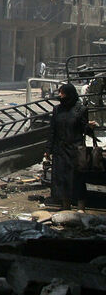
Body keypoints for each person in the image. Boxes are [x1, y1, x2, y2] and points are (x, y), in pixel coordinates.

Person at [45, 82, 90, 210]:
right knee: (62, 179)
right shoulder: (57, 110)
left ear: (69, 94)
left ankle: (81, 207)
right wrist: (48, 149)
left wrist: (90, 127)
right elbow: (52, 131)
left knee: (77, 179)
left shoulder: (80, 109)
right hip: (60, 150)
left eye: (62, 93)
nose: (60, 95)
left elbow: (84, 129)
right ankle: (65, 206)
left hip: (74, 150)